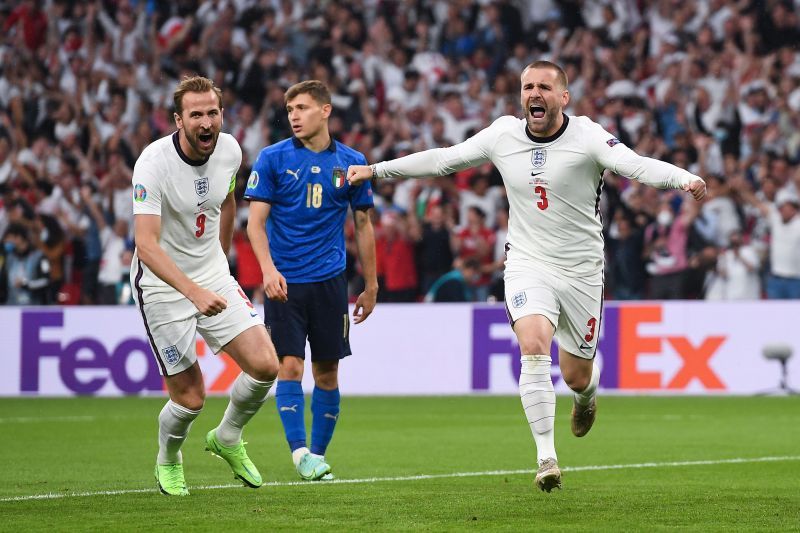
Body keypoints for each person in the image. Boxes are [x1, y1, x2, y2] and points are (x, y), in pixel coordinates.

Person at [347, 60, 706, 492]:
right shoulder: (503, 134)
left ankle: (586, 397)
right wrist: (378, 169)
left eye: (544, 87)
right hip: (527, 262)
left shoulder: (588, 136)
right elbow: (445, 160)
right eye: (527, 87)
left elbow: (634, 165)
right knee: (533, 346)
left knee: (576, 374)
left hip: (582, 271)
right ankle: (546, 458)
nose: (534, 94)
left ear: (563, 97)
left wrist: (683, 178)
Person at [131, 76, 279, 496]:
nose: (206, 121)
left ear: (222, 115)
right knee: (191, 398)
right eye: (196, 114)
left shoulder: (230, 150)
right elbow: (145, 245)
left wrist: (221, 260)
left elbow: (227, 199)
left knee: (266, 365)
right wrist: (192, 292)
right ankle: (168, 457)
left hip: (212, 274)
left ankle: (227, 437)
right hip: (161, 285)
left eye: (212, 112)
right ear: (179, 120)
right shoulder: (152, 164)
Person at [245, 80, 377, 481]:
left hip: (331, 284)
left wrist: (371, 285)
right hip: (285, 283)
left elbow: (364, 224)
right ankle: (298, 451)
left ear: (325, 110)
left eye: (302, 108)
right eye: (290, 111)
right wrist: (267, 270)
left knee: (327, 373)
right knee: (288, 366)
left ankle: (315, 457)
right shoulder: (272, 158)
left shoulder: (352, 163)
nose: (294, 117)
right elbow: (255, 224)